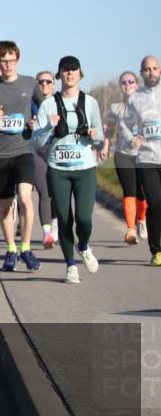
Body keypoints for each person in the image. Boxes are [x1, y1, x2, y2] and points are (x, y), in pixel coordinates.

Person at [31, 56, 107, 283]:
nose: (70, 74)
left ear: (80, 74)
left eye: (74, 71)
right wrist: (48, 127)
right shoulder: (48, 104)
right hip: (58, 168)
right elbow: (36, 142)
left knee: (84, 218)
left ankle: (83, 246)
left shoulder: (90, 103)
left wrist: (95, 135)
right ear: (59, 75)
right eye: (65, 70)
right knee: (64, 218)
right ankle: (70, 266)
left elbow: (100, 135)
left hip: (84, 167)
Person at [0, 41, 41, 272]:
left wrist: (37, 120)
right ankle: (11, 248)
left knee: (25, 198)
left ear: (18, 60)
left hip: (24, 150)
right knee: (6, 206)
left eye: (11, 60)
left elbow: (46, 107)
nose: (8, 65)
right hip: (1, 155)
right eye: (3, 61)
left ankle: (26, 247)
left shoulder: (30, 83)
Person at [105, 70, 148, 245]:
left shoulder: (146, 106)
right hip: (123, 154)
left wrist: (143, 139)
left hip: (144, 155)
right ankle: (130, 229)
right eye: (124, 82)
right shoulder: (115, 108)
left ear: (136, 85)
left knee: (142, 192)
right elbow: (109, 129)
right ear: (120, 86)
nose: (127, 85)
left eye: (131, 82)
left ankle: (142, 220)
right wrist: (105, 146)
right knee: (129, 190)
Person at [127, 55, 161, 266]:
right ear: (141, 73)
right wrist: (133, 137)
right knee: (156, 203)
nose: (151, 73)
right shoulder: (134, 99)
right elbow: (127, 127)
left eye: (154, 68)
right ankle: (156, 250)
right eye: (146, 69)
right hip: (147, 159)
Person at [30, 70, 59, 248]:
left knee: (56, 192)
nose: (44, 85)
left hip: (56, 149)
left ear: (54, 84)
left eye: (48, 82)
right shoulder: (30, 104)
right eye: (41, 82)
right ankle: (47, 232)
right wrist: (29, 124)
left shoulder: (59, 103)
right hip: (36, 150)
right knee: (44, 191)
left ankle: (55, 221)